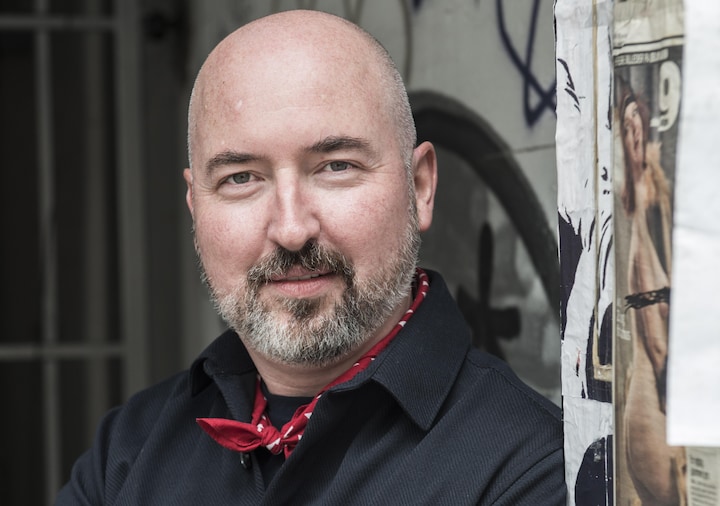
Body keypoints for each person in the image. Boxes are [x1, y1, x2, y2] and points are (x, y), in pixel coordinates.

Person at [56, 10, 564, 505]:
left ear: (420, 187)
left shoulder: (532, 470)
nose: (292, 230)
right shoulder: (125, 453)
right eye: (240, 178)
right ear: (196, 207)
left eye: (336, 166)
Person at [618, 84, 685, 505]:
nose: (635, 134)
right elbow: (657, 345)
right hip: (652, 412)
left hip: (644, 411)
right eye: (627, 128)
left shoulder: (646, 203)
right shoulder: (641, 214)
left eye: (637, 123)